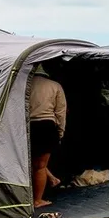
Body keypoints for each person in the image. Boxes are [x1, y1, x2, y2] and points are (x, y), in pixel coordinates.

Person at [29, 64, 67, 208]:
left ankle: (52, 179)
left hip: (27, 126)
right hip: (46, 126)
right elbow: (60, 112)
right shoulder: (55, 86)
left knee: (33, 162)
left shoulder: (24, 85)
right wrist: (60, 132)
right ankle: (37, 200)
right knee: (40, 165)